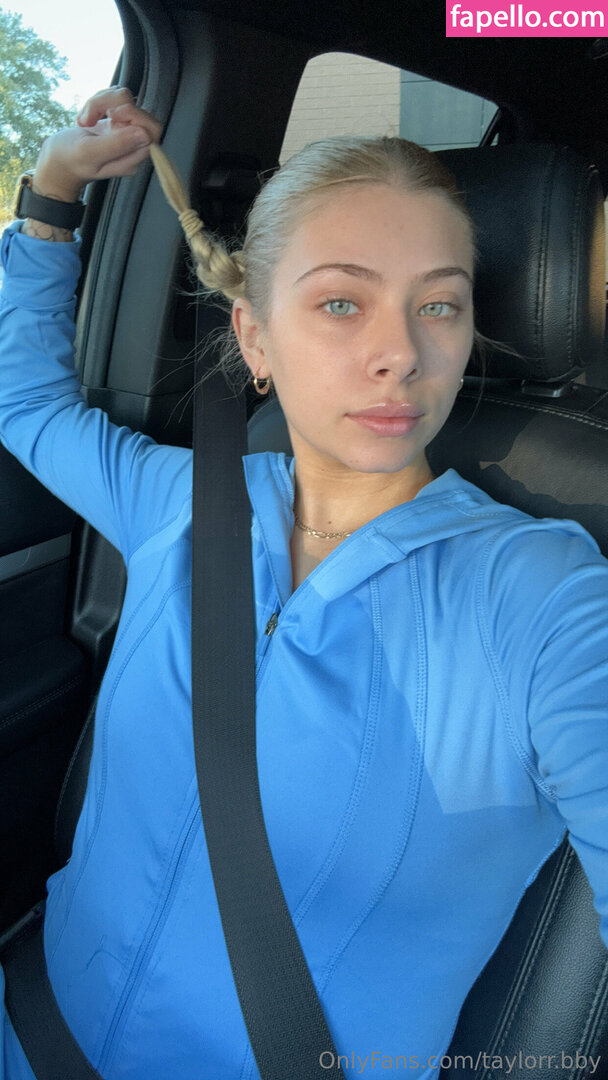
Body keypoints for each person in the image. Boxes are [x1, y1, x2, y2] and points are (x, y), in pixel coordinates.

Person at [0, 87, 606, 1079]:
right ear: (254, 339)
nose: (400, 354)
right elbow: (24, 402)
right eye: (340, 303)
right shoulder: (179, 501)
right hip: (30, 1025)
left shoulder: (543, 599)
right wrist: (55, 195)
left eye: (438, 304)